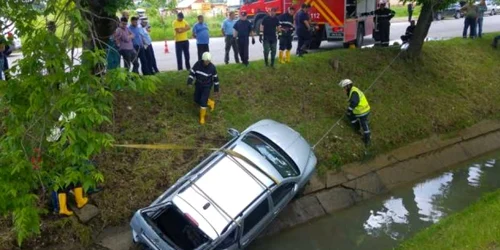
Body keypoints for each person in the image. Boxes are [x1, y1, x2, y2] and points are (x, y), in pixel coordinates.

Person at [187, 52, 220, 125]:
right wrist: (189, 82)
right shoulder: (197, 64)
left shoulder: (212, 68)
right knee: (196, 99)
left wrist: (216, 89)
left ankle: (202, 117)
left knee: (203, 101)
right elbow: (192, 73)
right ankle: (210, 102)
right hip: (198, 84)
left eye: (208, 61)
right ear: (203, 60)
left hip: (207, 86)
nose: (207, 62)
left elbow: (216, 79)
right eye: (206, 61)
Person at [339, 79, 371, 146]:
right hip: (359, 110)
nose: (343, 89)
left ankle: (367, 139)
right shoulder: (352, 90)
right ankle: (357, 128)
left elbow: (355, 102)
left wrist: (349, 110)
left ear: (348, 86)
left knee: (364, 124)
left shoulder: (353, 92)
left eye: (344, 87)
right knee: (350, 116)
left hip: (363, 110)